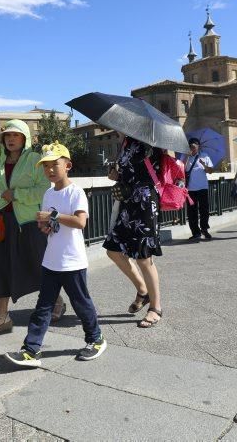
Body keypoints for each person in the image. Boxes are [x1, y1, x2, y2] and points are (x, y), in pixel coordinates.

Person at [5, 142, 106, 367]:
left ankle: (96, 339)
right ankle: (31, 350)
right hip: (51, 260)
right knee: (43, 307)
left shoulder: (76, 192)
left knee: (81, 304)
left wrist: (54, 217)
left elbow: (80, 222)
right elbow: (50, 224)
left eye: (54, 165)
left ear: (68, 165)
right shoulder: (48, 193)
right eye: (46, 166)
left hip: (72, 261)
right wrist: (45, 225)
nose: (50, 170)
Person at [0, 119, 64, 337]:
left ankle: (56, 300)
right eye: (7, 136)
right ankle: (2, 317)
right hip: (2, 223)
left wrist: (17, 195)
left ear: (24, 138)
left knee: (38, 265)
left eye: (15, 135)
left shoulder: (36, 160)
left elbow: (44, 190)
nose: (10, 139)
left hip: (29, 222)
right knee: (1, 268)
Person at [103, 135, 164, 328]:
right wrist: (116, 175)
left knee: (144, 257)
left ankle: (155, 308)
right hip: (128, 202)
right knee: (113, 250)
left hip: (145, 201)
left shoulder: (151, 142)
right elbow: (129, 172)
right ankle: (142, 290)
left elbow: (154, 171)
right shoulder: (125, 143)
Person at [181, 137, 214, 240]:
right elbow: (181, 169)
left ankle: (204, 228)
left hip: (202, 188)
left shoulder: (204, 156)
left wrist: (204, 164)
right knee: (192, 212)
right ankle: (196, 232)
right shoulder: (185, 156)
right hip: (190, 189)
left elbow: (210, 171)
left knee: (204, 210)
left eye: (194, 146)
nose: (192, 148)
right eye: (190, 146)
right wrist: (187, 155)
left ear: (198, 146)